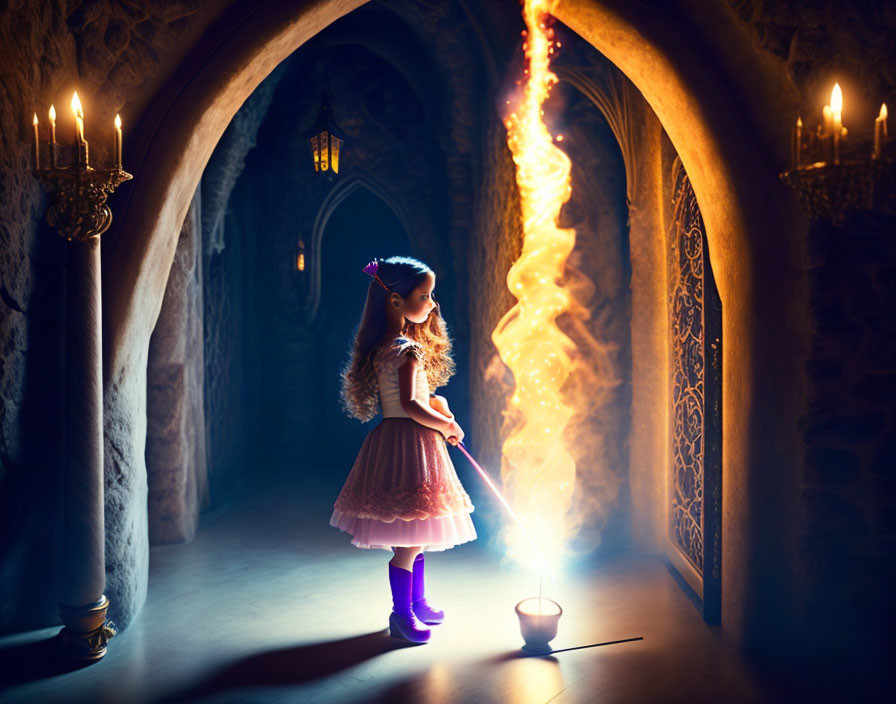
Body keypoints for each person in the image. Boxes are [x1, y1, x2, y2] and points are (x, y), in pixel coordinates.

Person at [331, 256, 476, 644]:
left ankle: (418, 600)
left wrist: (438, 404)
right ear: (395, 301)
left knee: (416, 532)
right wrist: (446, 423)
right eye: (424, 296)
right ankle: (402, 613)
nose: (432, 304)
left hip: (393, 438)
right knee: (411, 536)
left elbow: (412, 398)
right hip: (412, 442)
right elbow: (412, 406)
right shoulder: (407, 349)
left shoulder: (384, 347)